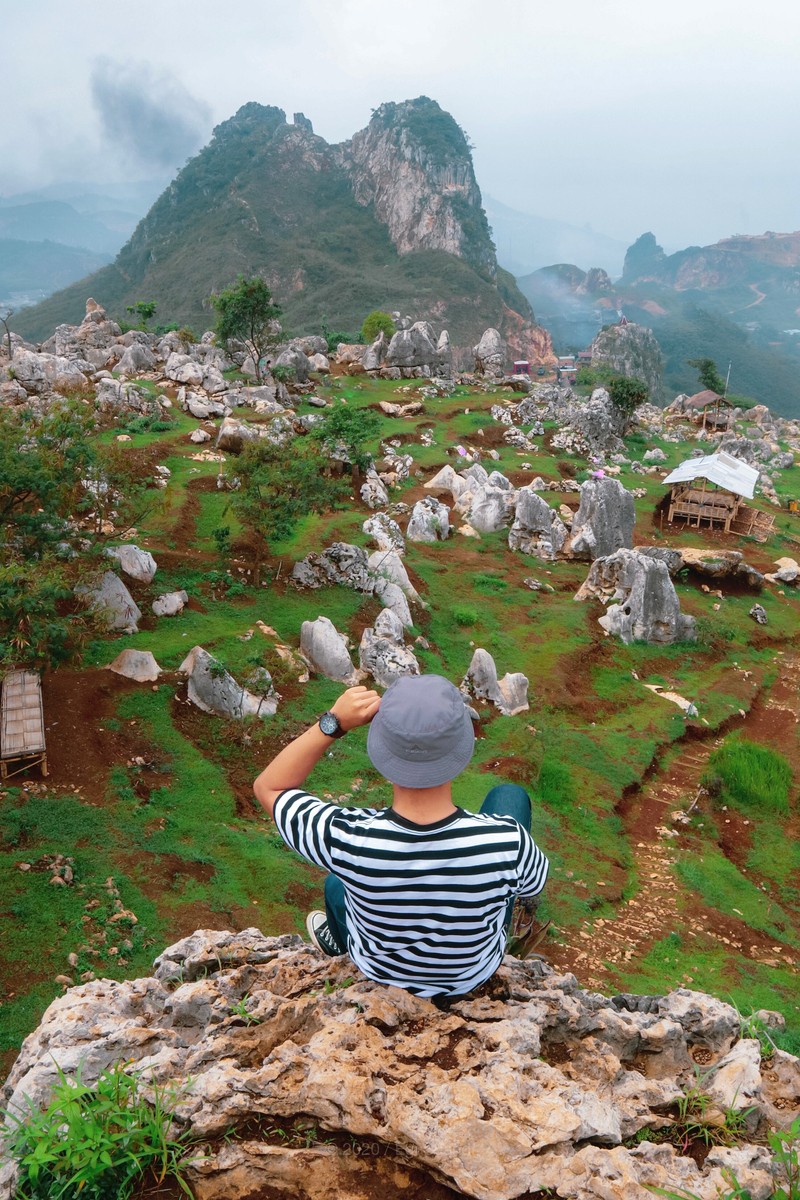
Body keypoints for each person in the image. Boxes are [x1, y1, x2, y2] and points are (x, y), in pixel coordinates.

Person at [253, 674, 549, 999]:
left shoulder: (345, 836)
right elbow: (533, 885)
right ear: (462, 749)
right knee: (510, 796)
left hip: (380, 972)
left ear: (382, 752)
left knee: (337, 882)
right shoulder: (507, 841)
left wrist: (334, 723)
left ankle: (340, 940)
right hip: (470, 975)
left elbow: (269, 787)